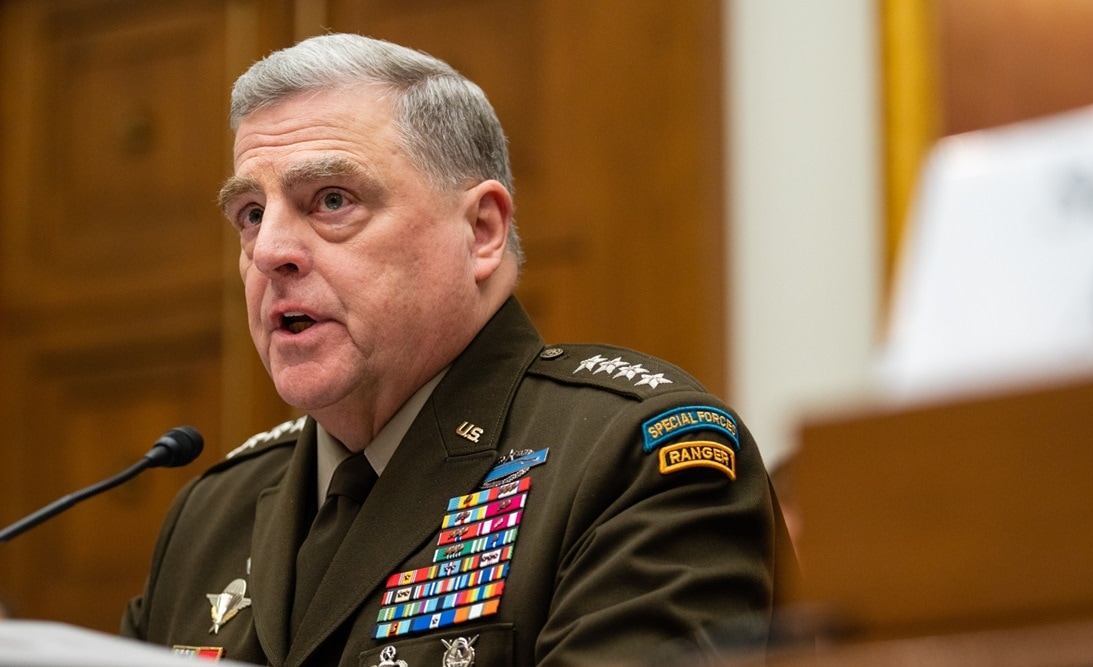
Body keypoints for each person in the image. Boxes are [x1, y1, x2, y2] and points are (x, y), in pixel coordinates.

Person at [121, 33, 798, 667]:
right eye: (252, 214)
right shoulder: (209, 514)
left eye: (331, 200)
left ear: (480, 231)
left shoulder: (635, 461)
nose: (269, 252)